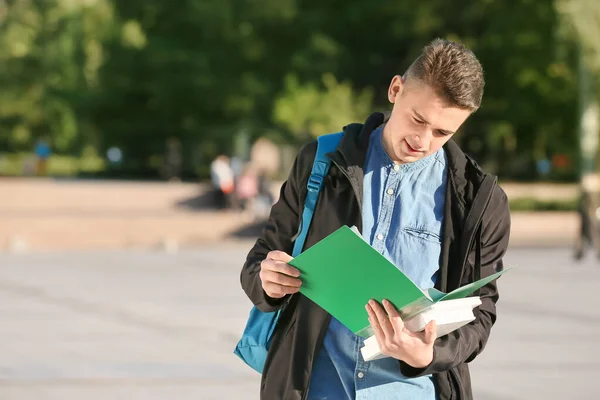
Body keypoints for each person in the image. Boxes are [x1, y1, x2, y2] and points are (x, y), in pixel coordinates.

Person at [240, 39, 511, 400]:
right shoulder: (322, 161)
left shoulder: (481, 201)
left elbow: (480, 313)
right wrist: (269, 281)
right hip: (313, 388)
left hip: (413, 390)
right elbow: (261, 260)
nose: (422, 140)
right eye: (418, 119)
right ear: (395, 89)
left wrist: (427, 353)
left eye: (442, 133)